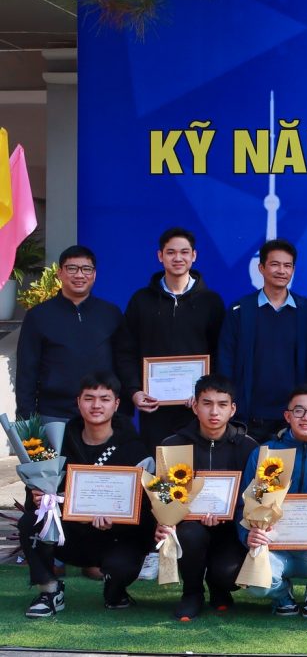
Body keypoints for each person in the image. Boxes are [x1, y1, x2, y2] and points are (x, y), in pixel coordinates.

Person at [20, 373, 154, 618]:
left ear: (116, 404)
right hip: (70, 535)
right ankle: (49, 591)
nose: (96, 405)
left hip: (116, 538)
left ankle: (115, 590)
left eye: (105, 399)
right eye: (89, 398)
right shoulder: (58, 444)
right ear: (78, 402)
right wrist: (40, 499)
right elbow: (35, 496)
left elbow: (147, 512)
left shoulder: (135, 449)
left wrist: (116, 523)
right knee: (31, 521)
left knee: (122, 566)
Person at [239, 384, 307, 618]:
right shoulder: (265, 453)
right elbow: (244, 505)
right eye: (299, 411)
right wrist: (247, 534)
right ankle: (282, 595)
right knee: (256, 583)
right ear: (287, 416)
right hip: (274, 545)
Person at [157, 374, 258, 620]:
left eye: (222, 404)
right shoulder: (172, 445)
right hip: (190, 527)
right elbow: (162, 496)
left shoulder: (249, 447)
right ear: (195, 406)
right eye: (207, 403)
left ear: (232, 409)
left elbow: (257, 498)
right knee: (190, 533)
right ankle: (192, 593)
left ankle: (218, 586)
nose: (214, 411)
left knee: (229, 574)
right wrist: (165, 521)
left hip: (231, 528)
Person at [123, 227, 227, 450]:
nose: (178, 258)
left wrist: (206, 393)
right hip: (154, 407)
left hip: (197, 408)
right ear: (160, 256)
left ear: (194, 256)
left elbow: (220, 352)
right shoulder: (141, 301)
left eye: (184, 252)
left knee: (196, 465)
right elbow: (126, 351)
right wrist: (134, 391)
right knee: (158, 465)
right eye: (171, 252)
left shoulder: (211, 302)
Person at [17, 245, 136, 422]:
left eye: (86, 269)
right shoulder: (39, 315)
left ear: (94, 274)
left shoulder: (111, 313)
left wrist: (125, 409)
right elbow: (27, 370)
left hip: (102, 414)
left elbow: (124, 361)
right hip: (54, 414)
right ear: (60, 273)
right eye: (72, 268)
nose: (79, 275)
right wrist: (26, 418)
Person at [217, 240, 307, 443]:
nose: (281, 270)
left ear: (293, 270)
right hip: (250, 418)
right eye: (275, 264)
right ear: (261, 268)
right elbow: (225, 361)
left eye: (287, 265)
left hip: (296, 418)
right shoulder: (240, 311)